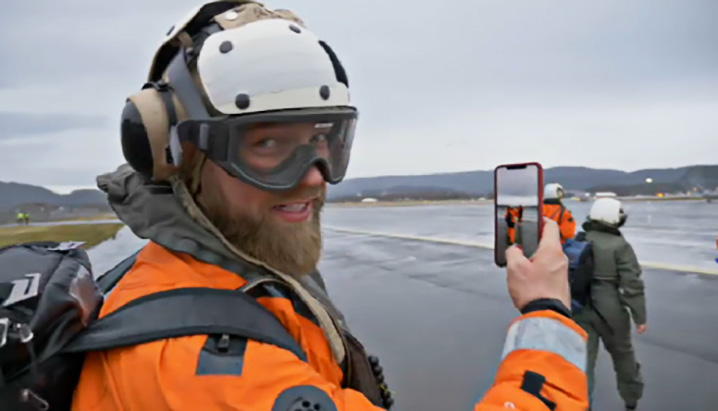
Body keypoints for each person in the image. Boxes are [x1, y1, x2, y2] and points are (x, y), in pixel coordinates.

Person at [72, 2, 588, 410]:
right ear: (176, 154)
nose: (315, 178)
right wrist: (545, 313)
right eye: (268, 146)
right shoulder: (201, 366)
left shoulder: (227, 268)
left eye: (323, 140)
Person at [574, 198, 646, 411]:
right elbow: (631, 285)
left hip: (579, 306)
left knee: (582, 362)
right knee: (623, 355)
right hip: (611, 310)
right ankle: (631, 399)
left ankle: (581, 404)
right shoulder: (619, 245)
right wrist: (639, 316)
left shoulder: (580, 239)